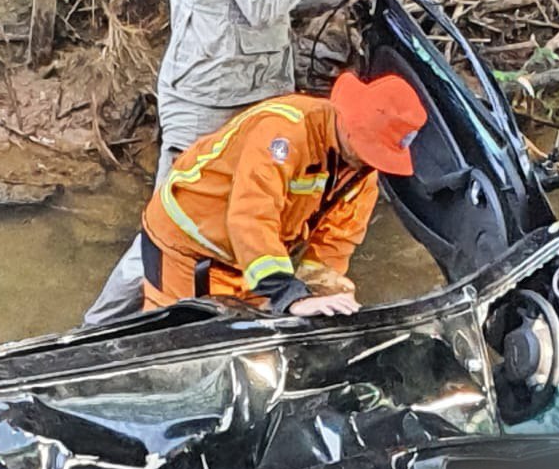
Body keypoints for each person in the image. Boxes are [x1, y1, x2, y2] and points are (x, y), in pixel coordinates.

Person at [81, 0, 370, 326]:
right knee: (174, 226)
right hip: (208, 98)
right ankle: (92, 331)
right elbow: (262, 3)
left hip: (257, 92)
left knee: (255, 213)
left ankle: (234, 314)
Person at [138, 71, 426, 316]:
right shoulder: (284, 133)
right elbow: (251, 217)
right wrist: (290, 295)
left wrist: (320, 292)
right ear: (350, 123)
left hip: (246, 261)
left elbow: (337, 240)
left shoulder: (361, 172)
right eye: (368, 150)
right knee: (177, 346)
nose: (369, 162)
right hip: (184, 249)